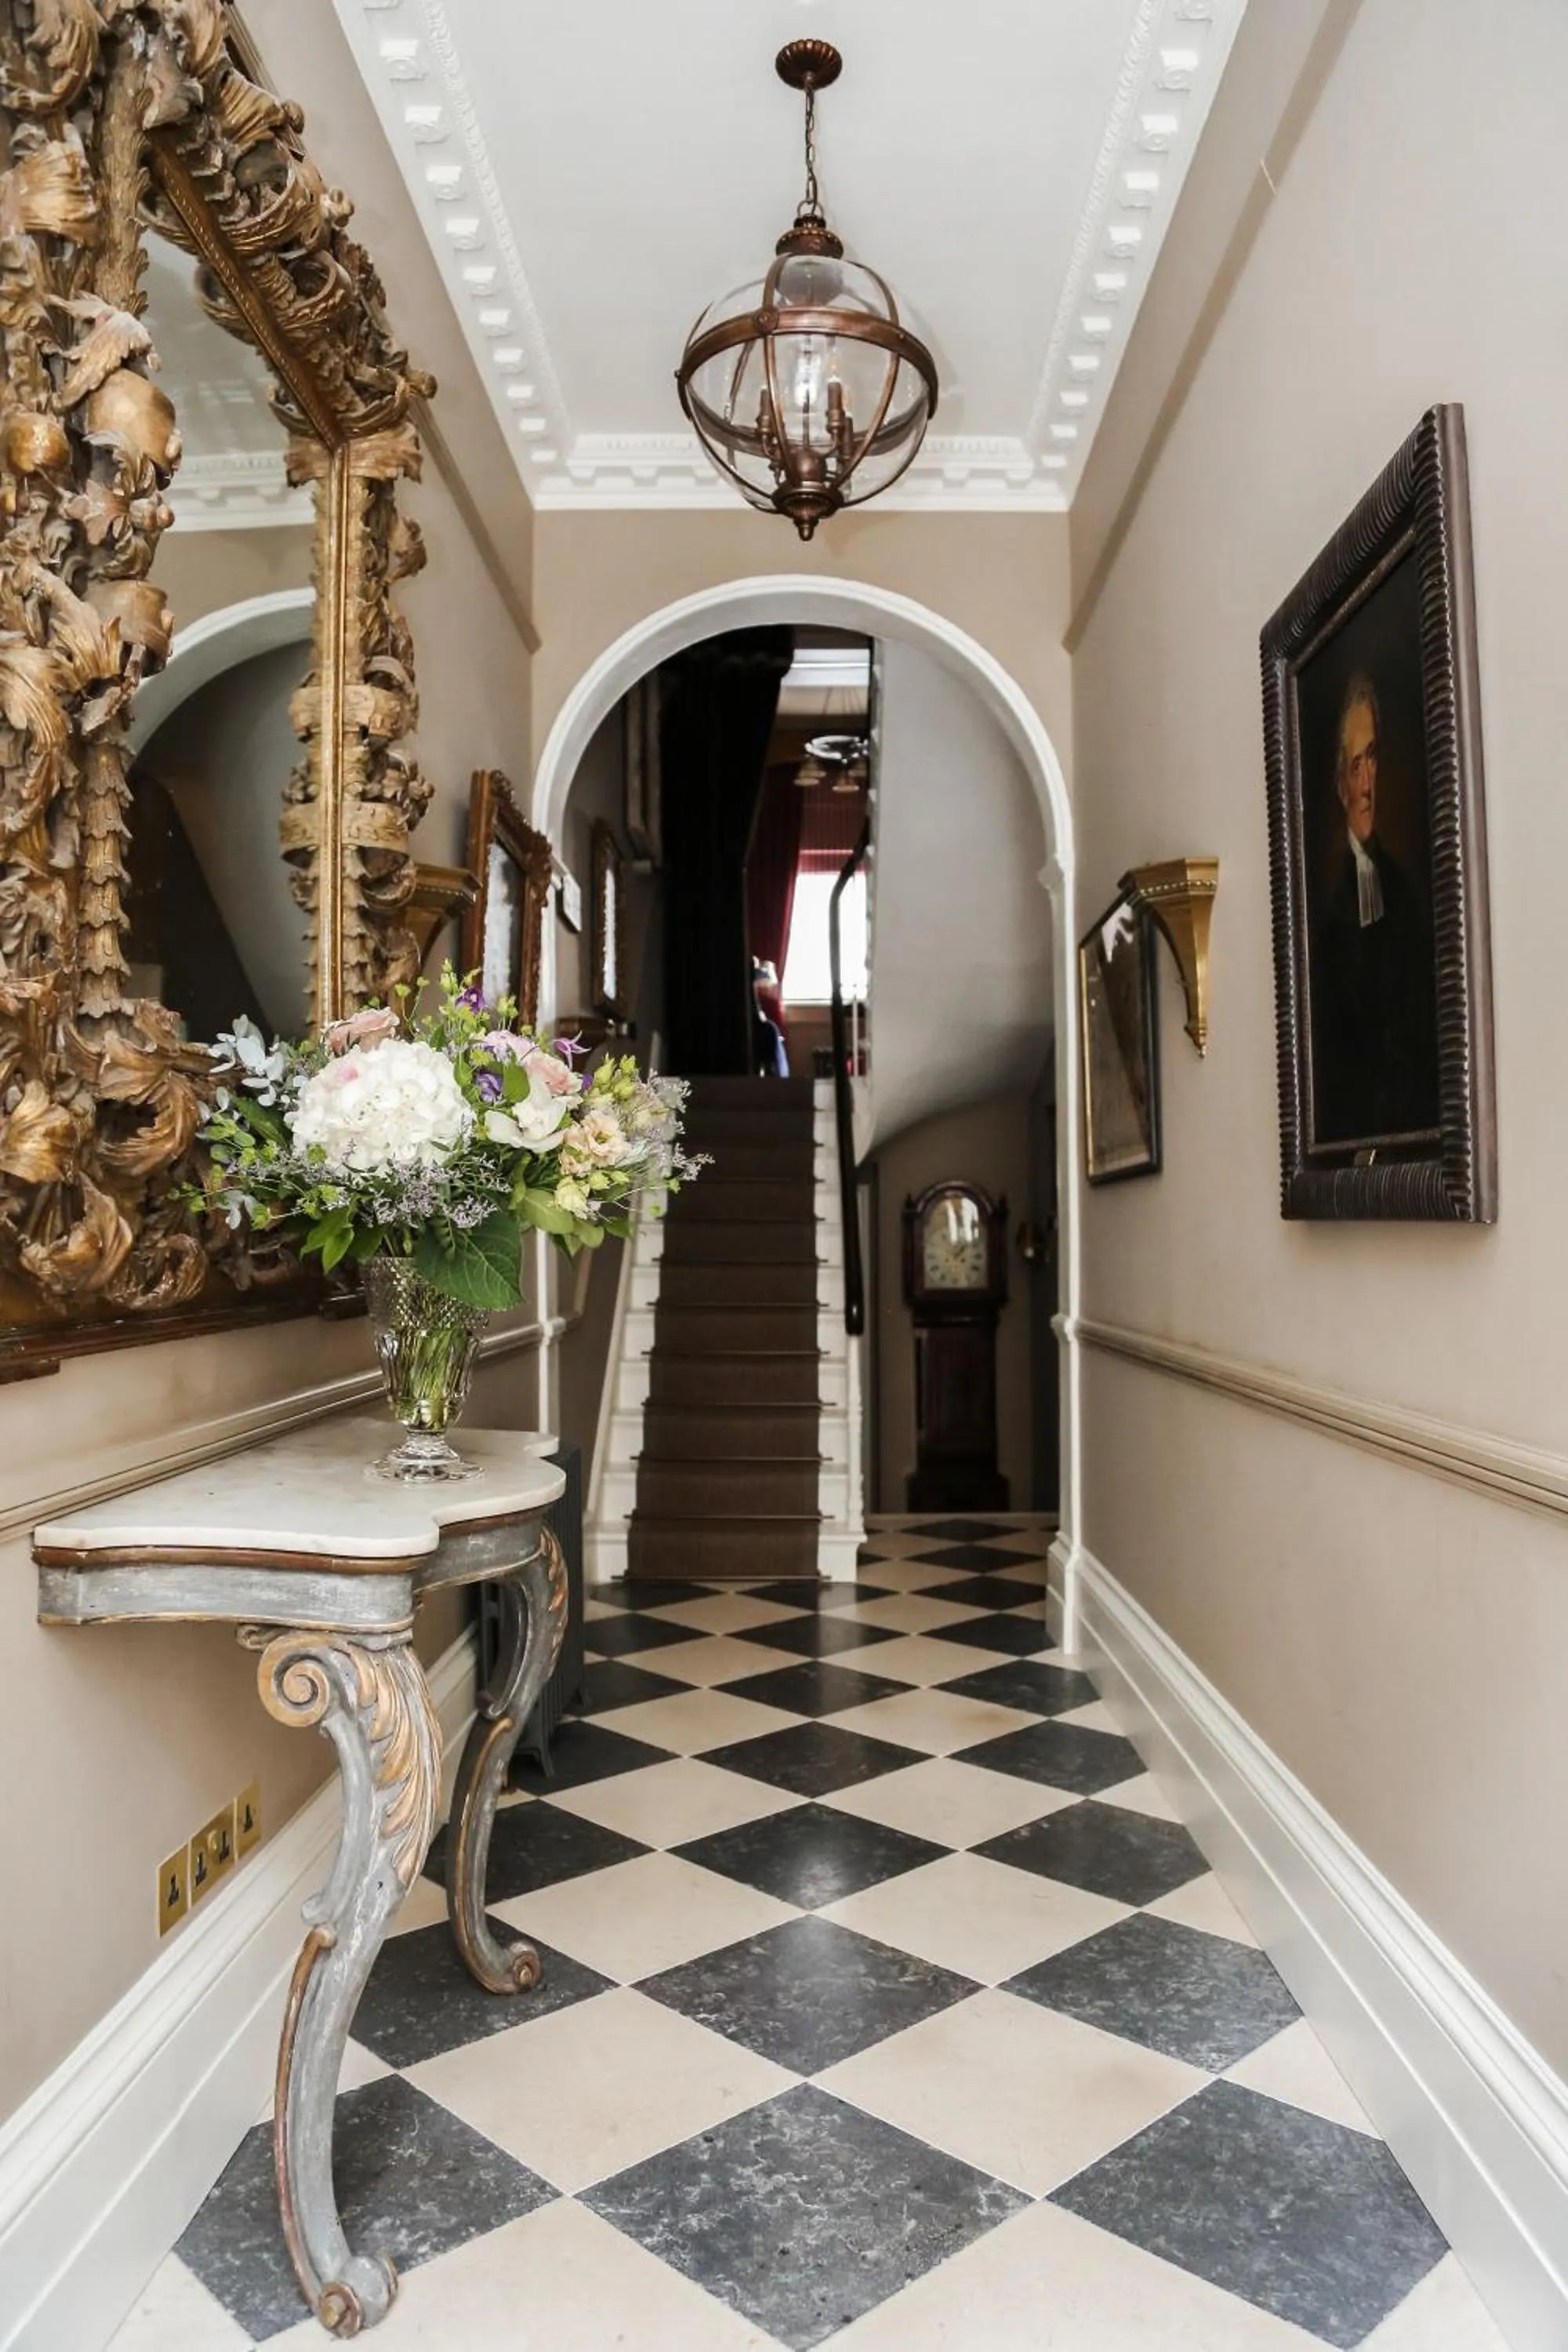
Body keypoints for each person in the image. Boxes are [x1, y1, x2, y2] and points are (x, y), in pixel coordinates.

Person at [1311, 673, 1440, 1145]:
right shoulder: (1326, 913)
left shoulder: (1405, 894)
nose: (1367, 785)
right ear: (1340, 784)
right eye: (1355, 767)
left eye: (1373, 762)